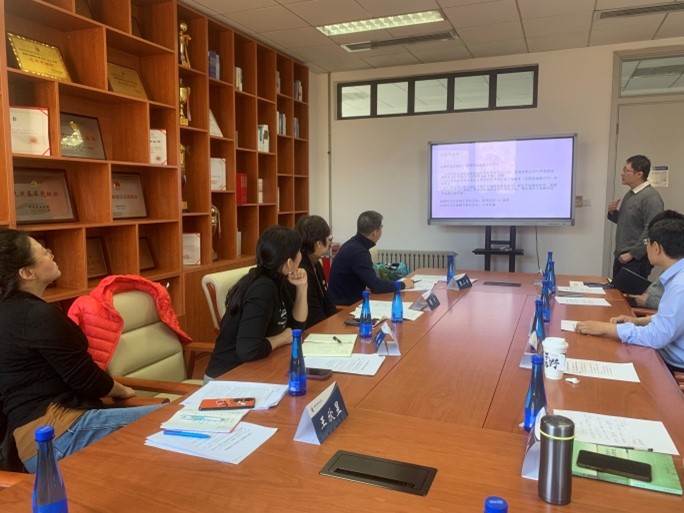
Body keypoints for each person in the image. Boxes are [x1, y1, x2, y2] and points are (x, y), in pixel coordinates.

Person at [0, 229, 159, 473]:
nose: (51, 254)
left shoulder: (11, 313)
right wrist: (123, 390)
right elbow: (87, 380)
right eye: (44, 252)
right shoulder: (37, 316)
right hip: (60, 433)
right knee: (175, 417)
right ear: (27, 273)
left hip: (35, 441)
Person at [576, 211, 684, 372]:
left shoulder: (679, 286)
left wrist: (605, 329)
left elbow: (657, 337)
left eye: (647, 242)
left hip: (670, 363)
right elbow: (670, 319)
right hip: (663, 351)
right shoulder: (677, 276)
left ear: (656, 248)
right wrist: (637, 321)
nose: (646, 246)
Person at [205, 225, 307, 380]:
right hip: (226, 377)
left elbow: (296, 328)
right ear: (289, 262)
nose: (301, 255)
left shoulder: (279, 279)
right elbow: (248, 350)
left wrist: (302, 288)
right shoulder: (263, 289)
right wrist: (281, 338)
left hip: (255, 367)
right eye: (298, 252)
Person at [328, 210, 414, 306]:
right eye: (381, 228)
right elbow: (375, 286)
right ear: (375, 232)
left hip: (346, 299)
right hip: (344, 307)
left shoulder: (353, 245)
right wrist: (402, 284)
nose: (381, 232)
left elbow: (371, 281)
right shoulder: (359, 252)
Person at [607, 154, 664, 279]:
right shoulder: (630, 194)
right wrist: (613, 212)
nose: (622, 174)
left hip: (635, 260)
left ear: (639, 174)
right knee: (616, 290)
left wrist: (632, 254)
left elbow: (652, 230)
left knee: (629, 292)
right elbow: (629, 222)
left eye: (626, 171)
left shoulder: (651, 197)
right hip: (622, 256)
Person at [295, 215, 338, 328]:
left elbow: (328, 303)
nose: (330, 243)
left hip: (323, 325)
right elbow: (314, 317)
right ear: (318, 244)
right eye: (329, 239)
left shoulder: (316, 264)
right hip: (311, 330)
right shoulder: (302, 271)